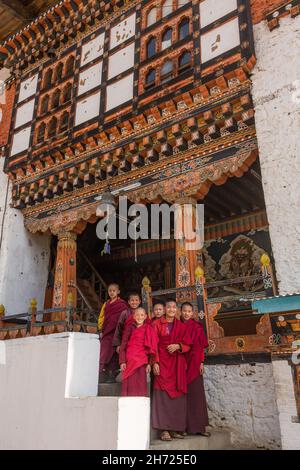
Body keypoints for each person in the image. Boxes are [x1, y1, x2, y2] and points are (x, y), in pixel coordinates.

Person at [151, 299, 192, 442]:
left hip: (177, 365)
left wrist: (178, 346)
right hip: (162, 362)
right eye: (169, 307)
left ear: (177, 310)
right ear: (165, 308)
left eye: (174, 307)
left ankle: (174, 428)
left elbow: (188, 345)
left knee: (177, 395)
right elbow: (153, 345)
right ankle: (163, 430)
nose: (171, 310)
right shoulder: (156, 324)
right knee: (162, 396)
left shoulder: (180, 325)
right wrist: (154, 362)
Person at [181, 302, 210, 436]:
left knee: (197, 394)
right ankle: (185, 427)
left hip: (195, 362)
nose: (186, 313)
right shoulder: (178, 326)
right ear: (180, 312)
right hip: (181, 362)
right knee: (183, 395)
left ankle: (200, 427)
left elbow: (201, 346)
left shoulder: (197, 327)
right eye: (184, 311)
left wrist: (201, 362)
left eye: (189, 311)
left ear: (192, 313)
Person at [119, 307, 158, 397]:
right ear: (133, 316)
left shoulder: (148, 329)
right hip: (129, 360)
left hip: (141, 361)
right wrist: (122, 361)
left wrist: (149, 363)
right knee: (128, 384)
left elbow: (152, 348)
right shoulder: (129, 328)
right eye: (137, 315)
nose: (139, 317)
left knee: (140, 385)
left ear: (145, 316)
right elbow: (123, 345)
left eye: (141, 315)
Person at [98, 283, 129, 383]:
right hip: (107, 332)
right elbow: (102, 317)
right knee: (104, 353)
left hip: (117, 333)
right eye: (110, 290)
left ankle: (112, 375)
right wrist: (101, 329)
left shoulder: (122, 304)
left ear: (118, 292)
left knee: (114, 354)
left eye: (114, 290)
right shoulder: (106, 304)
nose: (111, 292)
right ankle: (103, 373)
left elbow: (125, 318)